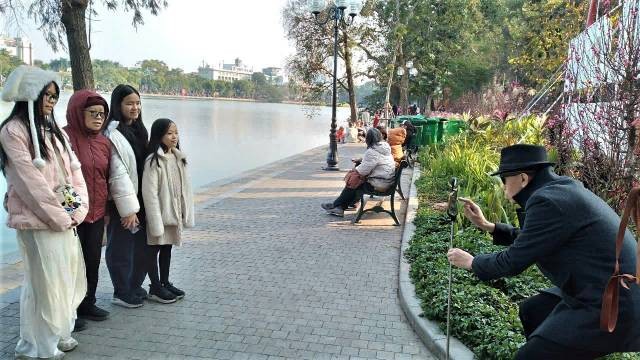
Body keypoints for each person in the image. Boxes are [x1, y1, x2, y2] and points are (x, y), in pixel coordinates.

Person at [447, 144, 640, 359]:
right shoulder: (560, 190)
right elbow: (536, 238)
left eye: (504, 179)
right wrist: (488, 226)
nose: (502, 186)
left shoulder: (547, 201)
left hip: (612, 304)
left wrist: (472, 262)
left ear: (522, 178)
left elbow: (512, 261)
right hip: (600, 288)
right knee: (534, 311)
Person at [0, 65, 88, 359]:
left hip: (63, 220)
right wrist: (61, 217)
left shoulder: (54, 131)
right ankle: (38, 345)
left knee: (64, 278)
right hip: (38, 223)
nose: (50, 101)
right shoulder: (13, 131)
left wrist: (78, 209)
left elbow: (73, 172)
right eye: (45, 95)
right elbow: (29, 183)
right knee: (42, 285)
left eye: (54, 95)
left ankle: (60, 332)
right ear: (29, 95)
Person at [64, 90, 112, 322]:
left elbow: (109, 176)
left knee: (92, 260)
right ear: (77, 112)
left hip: (97, 213)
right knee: (72, 263)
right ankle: (69, 310)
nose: (98, 118)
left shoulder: (104, 142)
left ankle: (87, 303)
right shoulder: (63, 138)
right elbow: (58, 179)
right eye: (92, 113)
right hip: (72, 215)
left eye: (102, 114)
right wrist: (73, 212)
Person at [104, 84, 149, 308]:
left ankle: (133, 284)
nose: (135, 107)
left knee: (140, 245)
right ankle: (121, 291)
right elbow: (117, 173)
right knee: (121, 247)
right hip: (122, 203)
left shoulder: (140, 130)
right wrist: (127, 209)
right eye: (129, 103)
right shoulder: (113, 133)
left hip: (140, 199)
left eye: (138, 103)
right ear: (118, 105)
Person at [142, 118, 195, 303]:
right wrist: (155, 220)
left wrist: (184, 210)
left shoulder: (179, 157)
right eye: (169, 133)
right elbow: (149, 194)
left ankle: (165, 282)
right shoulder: (153, 160)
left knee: (167, 248)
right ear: (159, 135)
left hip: (174, 212)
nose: (174, 137)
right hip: (160, 214)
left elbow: (183, 188)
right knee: (153, 249)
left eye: (176, 132)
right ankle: (154, 286)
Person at [321, 128, 395, 217]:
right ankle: (341, 206)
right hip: (386, 181)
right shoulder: (384, 148)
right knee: (356, 180)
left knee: (354, 180)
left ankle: (338, 205)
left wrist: (354, 170)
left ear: (369, 139)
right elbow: (376, 161)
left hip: (379, 184)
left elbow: (363, 171)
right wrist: (362, 160)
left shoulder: (372, 151)